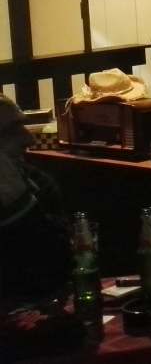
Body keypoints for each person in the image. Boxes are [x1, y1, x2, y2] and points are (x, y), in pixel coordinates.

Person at [0, 96, 71, 304]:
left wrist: (21, 203)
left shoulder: (38, 183)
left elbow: (56, 271)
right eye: (10, 131)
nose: (29, 139)